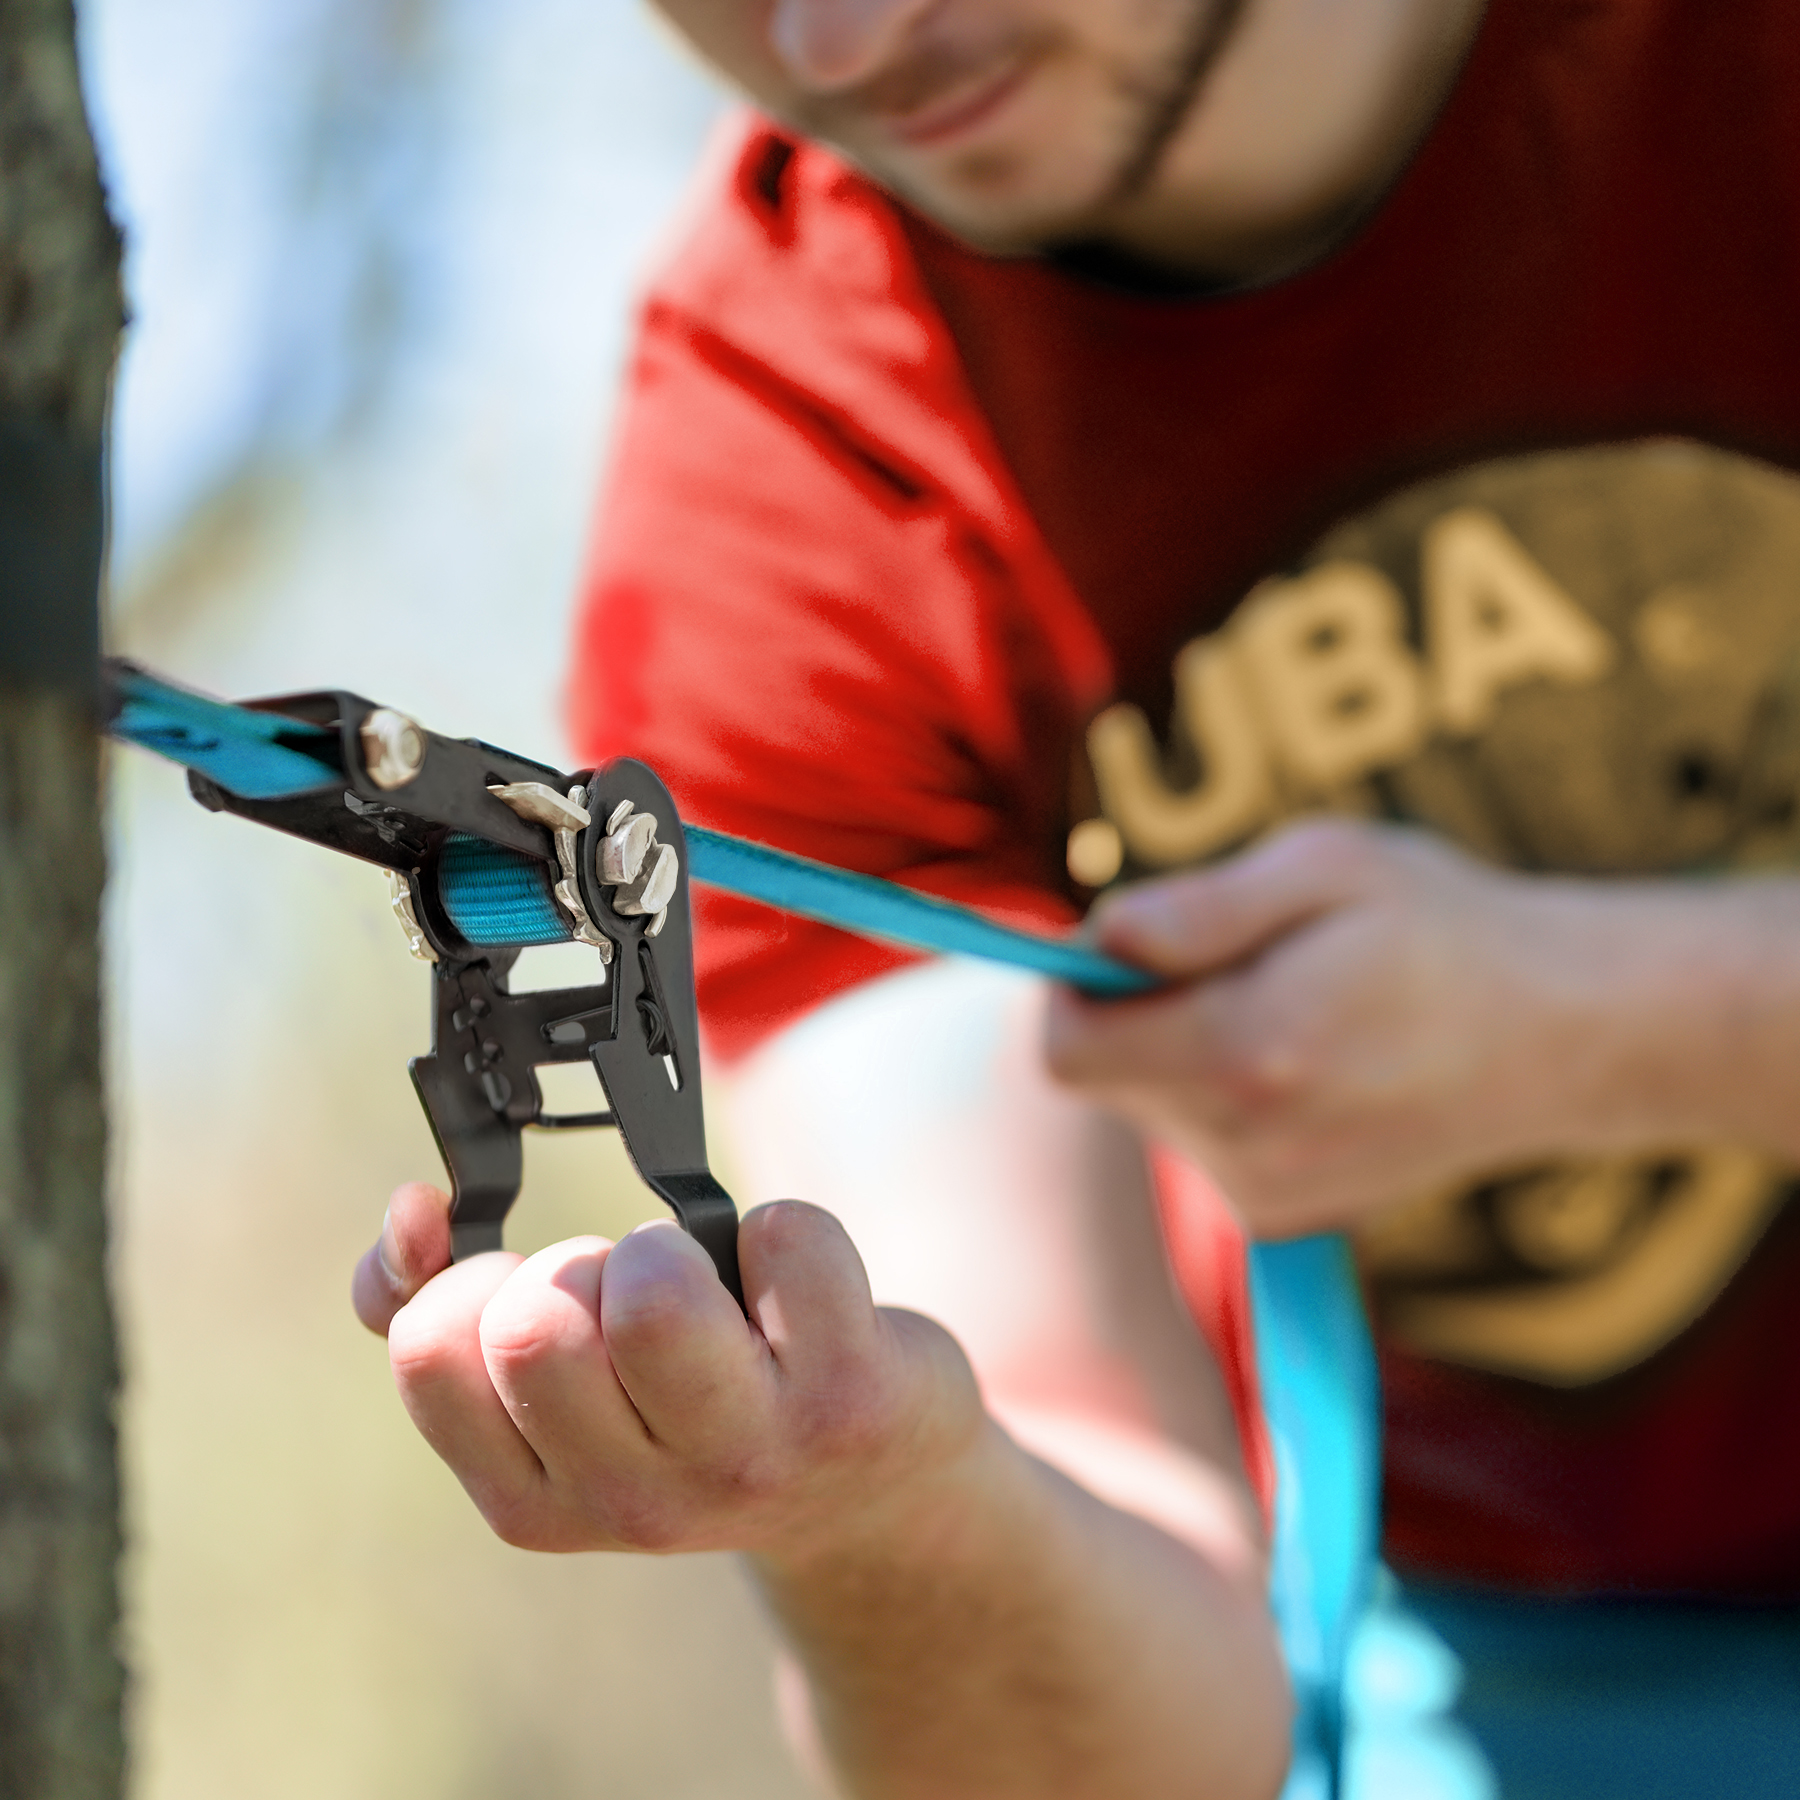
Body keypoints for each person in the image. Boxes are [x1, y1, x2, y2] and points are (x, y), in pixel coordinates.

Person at [352, 0, 1800, 1792]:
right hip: (1481, 1665)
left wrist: (1637, 1022)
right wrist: (890, 1509)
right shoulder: (792, 450)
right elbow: (1122, 1731)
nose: (839, 37)